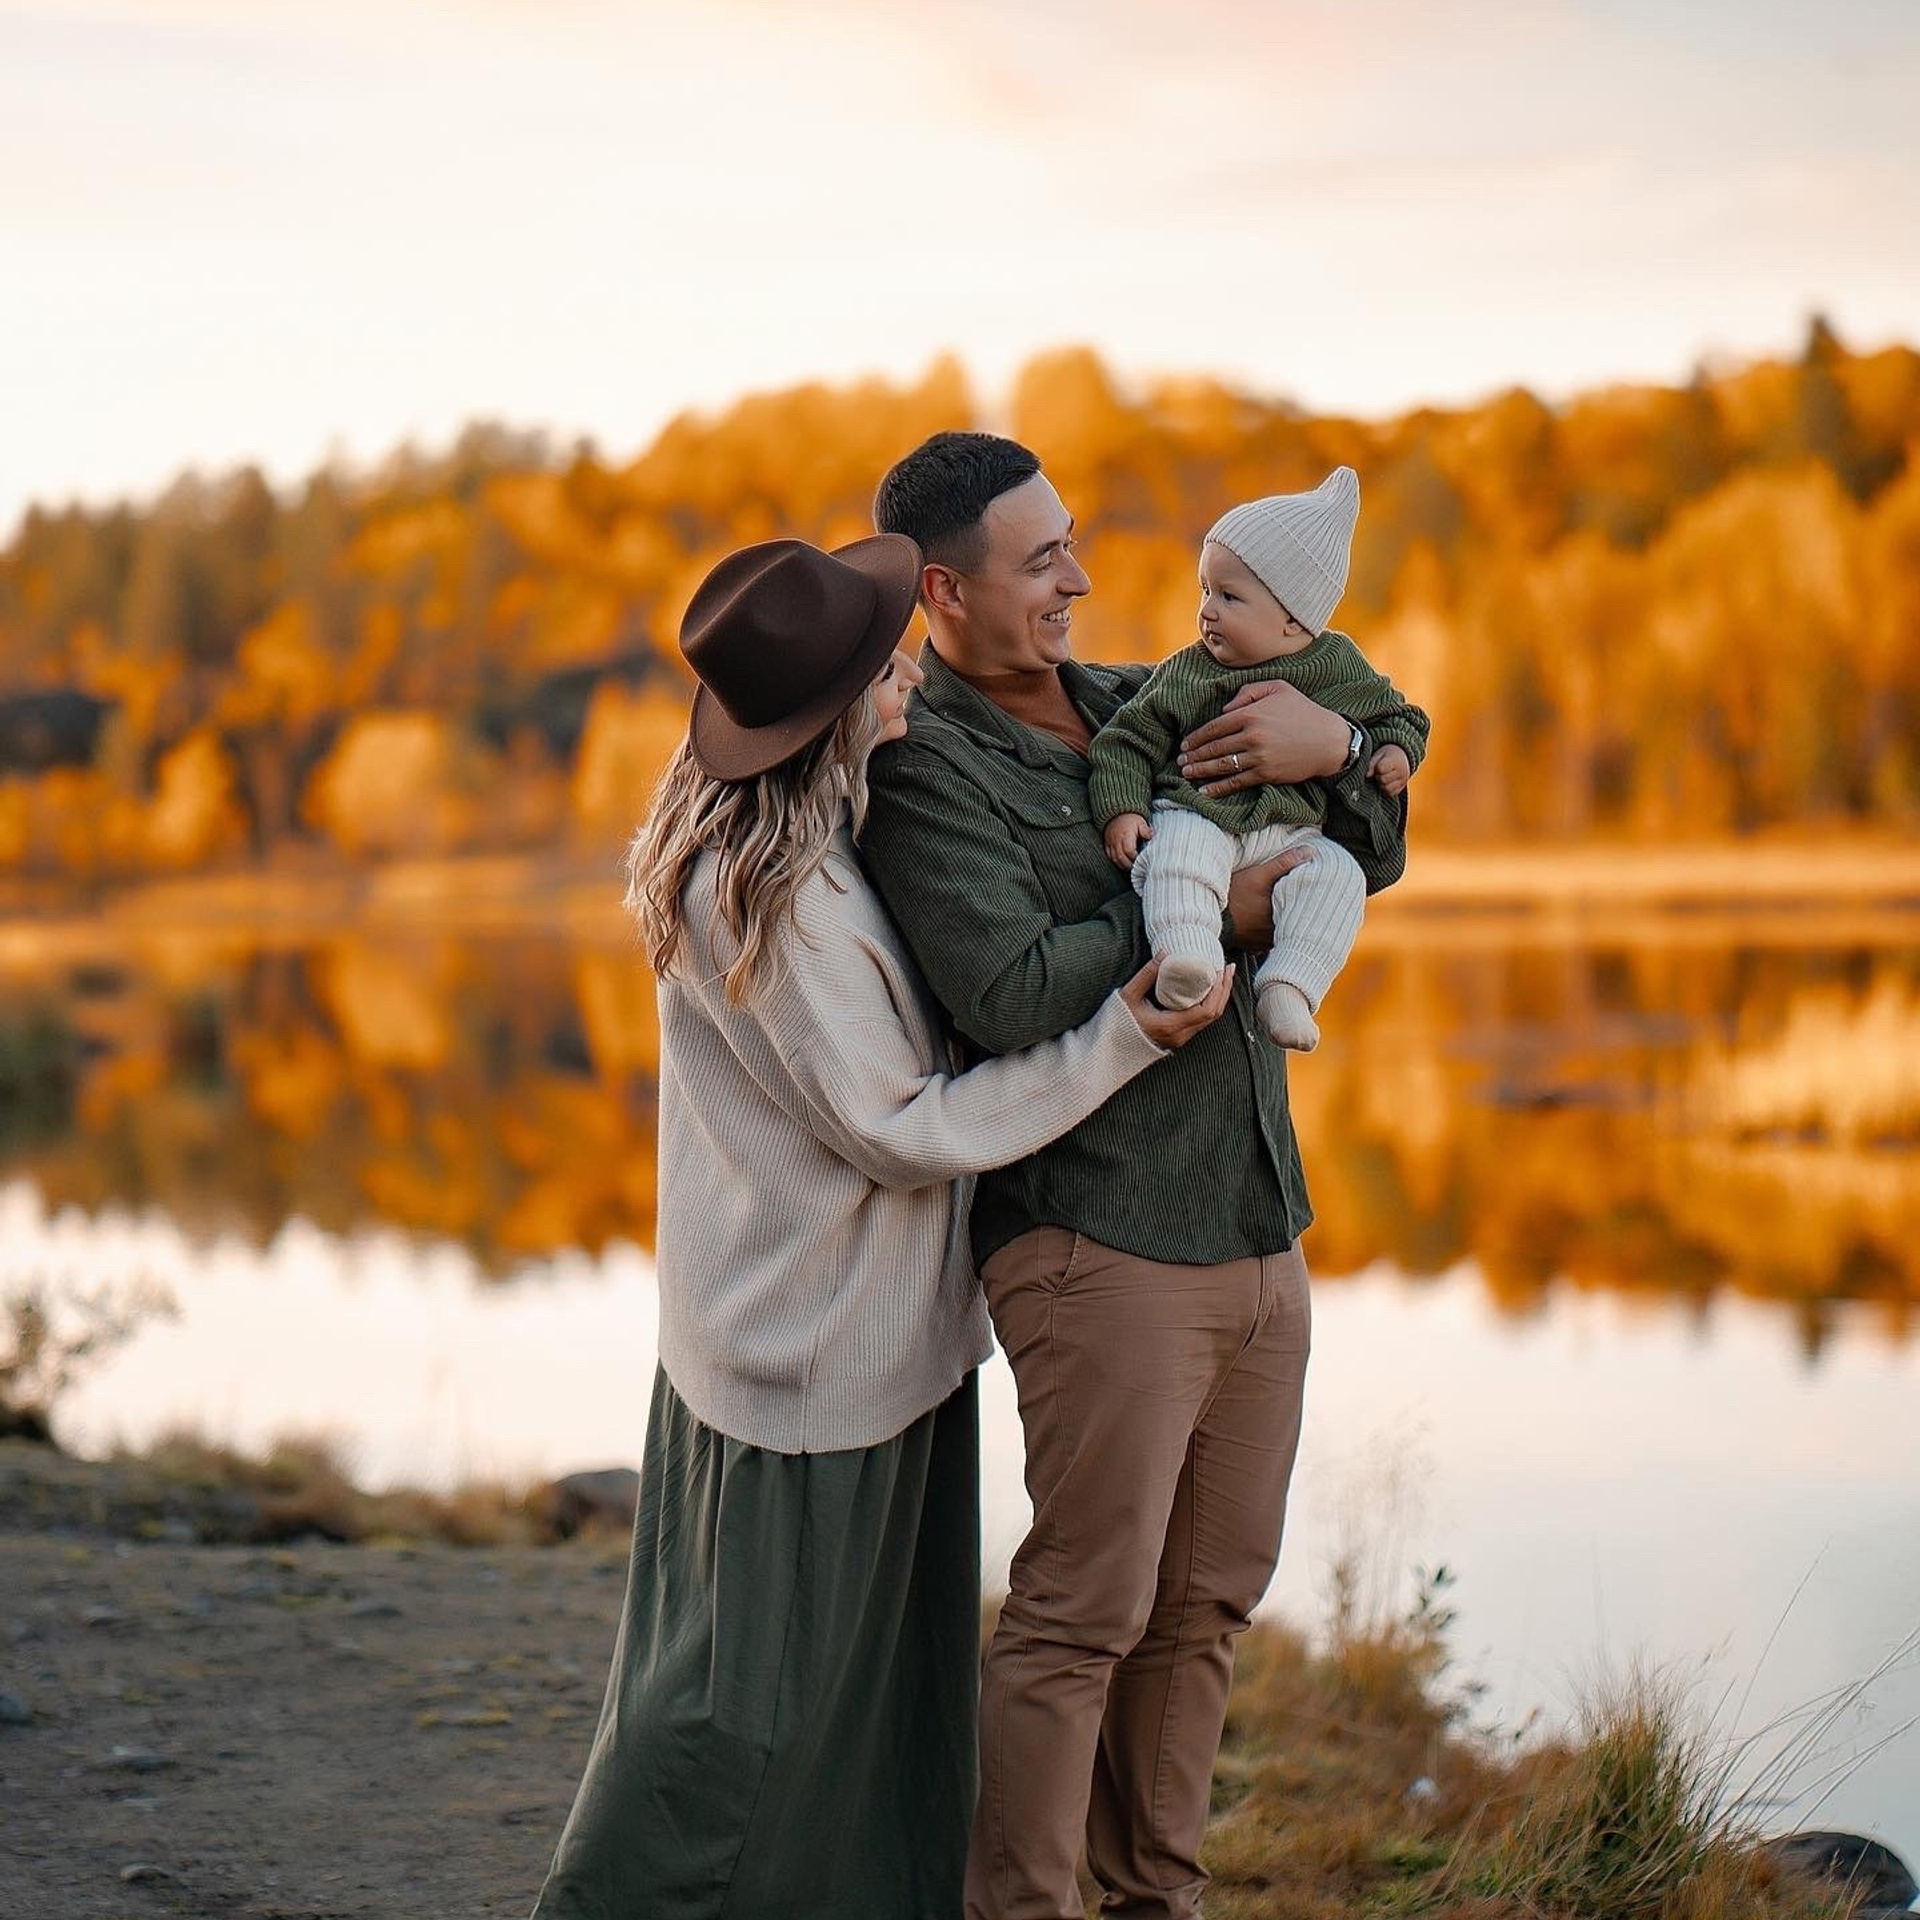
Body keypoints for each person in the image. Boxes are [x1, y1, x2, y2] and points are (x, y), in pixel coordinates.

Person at [529, 534, 1231, 1920]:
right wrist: (1122, 1040)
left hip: (816, 1342)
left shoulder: (786, 842)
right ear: (835, 712)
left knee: (862, 1726)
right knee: (736, 1731)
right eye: (884, 668)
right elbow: (903, 1126)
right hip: (813, 1362)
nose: (907, 681)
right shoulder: (782, 901)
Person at [861, 433, 1412, 1920]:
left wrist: (1345, 755)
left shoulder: (1135, 702)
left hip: (1255, 1215)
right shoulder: (927, 772)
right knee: (1082, 1617)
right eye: (1041, 561)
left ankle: (1151, 1903)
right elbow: (1011, 988)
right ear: (943, 589)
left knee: (1210, 1605)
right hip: (1096, 1241)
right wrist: (1209, 912)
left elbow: (1359, 848)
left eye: (1071, 545)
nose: (1080, 580)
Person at [1087, 467, 1431, 1051]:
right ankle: (1186, 955)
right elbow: (1128, 739)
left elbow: (1400, 715)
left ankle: (1291, 986)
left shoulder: (1338, 667)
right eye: (1204, 591)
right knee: (1181, 854)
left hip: (1289, 830)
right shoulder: (1189, 671)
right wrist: (1121, 808)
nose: (1208, 611)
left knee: (1338, 875)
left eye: (1229, 596)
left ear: (1293, 617)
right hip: (1201, 808)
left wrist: (1390, 752)